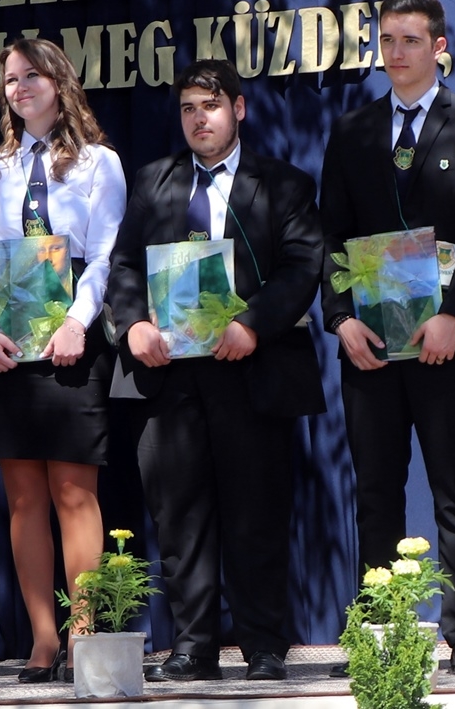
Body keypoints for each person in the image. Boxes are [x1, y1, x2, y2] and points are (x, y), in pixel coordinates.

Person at [106, 59, 323, 682]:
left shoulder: (282, 183)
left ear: (239, 109)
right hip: (168, 376)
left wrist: (252, 323)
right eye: (188, 109)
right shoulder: (153, 181)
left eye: (211, 106)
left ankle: (263, 647)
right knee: (179, 517)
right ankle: (193, 647)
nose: (199, 119)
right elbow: (124, 266)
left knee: (257, 513)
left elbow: (302, 266)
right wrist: (133, 325)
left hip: (251, 369)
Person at [318, 0, 455, 675]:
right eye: (387, 40)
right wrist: (340, 319)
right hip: (370, 347)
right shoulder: (352, 131)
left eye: (410, 40)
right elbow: (330, 235)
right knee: (375, 492)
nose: (396, 53)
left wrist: (454, 315)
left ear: (439, 48)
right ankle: (379, 633)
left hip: (448, 344)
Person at [0, 38, 124, 683]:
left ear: (60, 82)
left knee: (73, 492)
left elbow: (106, 255)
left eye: (32, 75)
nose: (21, 87)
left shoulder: (99, 162)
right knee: (25, 498)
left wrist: (77, 323)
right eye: (11, 79)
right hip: (7, 343)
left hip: (72, 341)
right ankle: (41, 640)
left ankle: (84, 635)